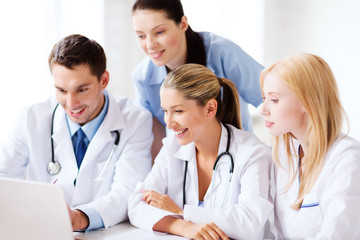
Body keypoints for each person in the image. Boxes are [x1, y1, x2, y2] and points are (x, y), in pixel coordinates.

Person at [0, 34, 153, 231]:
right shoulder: (32, 118)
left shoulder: (135, 120)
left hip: (106, 234)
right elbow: (3, 177)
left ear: (104, 80)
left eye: (81, 90)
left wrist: (79, 218)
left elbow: (128, 191)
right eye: (62, 91)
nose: (71, 105)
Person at [128, 64, 273, 240]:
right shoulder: (172, 147)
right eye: (166, 111)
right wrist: (182, 226)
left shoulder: (253, 153)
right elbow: (136, 205)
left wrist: (181, 212)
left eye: (178, 111)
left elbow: (249, 224)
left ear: (210, 109)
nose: (169, 123)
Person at [131, 0, 263, 159]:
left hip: (238, 157)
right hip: (186, 165)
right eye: (141, 36)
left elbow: (269, 98)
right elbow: (154, 141)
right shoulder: (142, 78)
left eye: (159, 32)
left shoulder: (222, 52)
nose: (150, 44)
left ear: (183, 24)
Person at [260, 53, 360, 239]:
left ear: (307, 101)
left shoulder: (348, 158)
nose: (263, 110)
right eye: (264, 98)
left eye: (273, 100)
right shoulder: (285, 155)